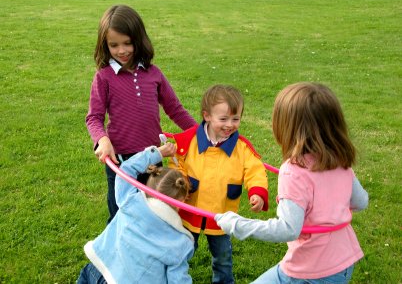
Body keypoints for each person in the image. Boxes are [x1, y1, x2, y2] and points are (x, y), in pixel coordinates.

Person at [215, 82, 369, 284]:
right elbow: (361, 202)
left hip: (310, 272)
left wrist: (237, 224)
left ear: (286, 126)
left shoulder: (293, 172)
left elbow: (288, 229)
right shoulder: (340, 162)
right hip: (343, 264)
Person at [85, 4, 197, 223]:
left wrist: (199, 134)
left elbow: (175, 109)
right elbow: (94, 117)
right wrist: (102, 140)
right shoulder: (104, 77)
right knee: (121, 215)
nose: (122, 51)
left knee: (155, 212)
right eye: (114, 45)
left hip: (154, 158)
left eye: (128, 43)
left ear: (139, 40)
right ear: (105, 45)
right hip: (121, 161)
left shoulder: (153, 74)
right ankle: (117, 254)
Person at [168, 84, 269, 284]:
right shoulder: (189, 141)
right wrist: (181, 183)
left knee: (223, 258)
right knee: (182, 251)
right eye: (223, 119)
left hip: (222, 215)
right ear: (207, 116)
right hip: (190, 211)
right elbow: (176, 163)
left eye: (235, 119)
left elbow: (255, 170)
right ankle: (173, 278)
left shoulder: (242, 148)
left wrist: (257, 192)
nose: (230, 124)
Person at [77, 143, 194, 284]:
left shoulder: (130, 200)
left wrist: (156, 153)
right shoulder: (180, 242)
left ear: (148, 185)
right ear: (181, 201)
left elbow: (126, 169)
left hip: (98, 269)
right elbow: (178, 281)